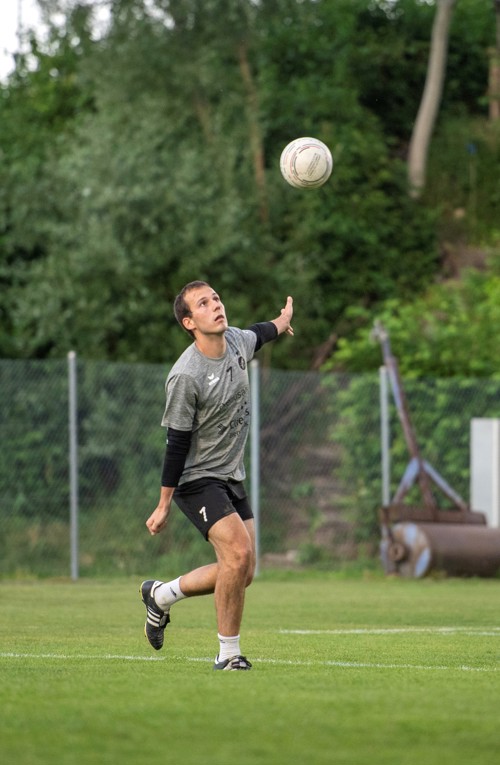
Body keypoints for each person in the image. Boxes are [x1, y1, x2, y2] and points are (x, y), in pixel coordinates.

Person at [140, 280, 294, 671]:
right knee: (238, 555)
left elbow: (262, 332)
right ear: (190, 322)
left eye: (217, 299)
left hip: (229, 475)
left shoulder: (238, 343)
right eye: (204, 304)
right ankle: (228, 655)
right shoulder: (185, 375)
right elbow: (176, 444)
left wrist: (283, 319)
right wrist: (163, 504)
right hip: (195, 480)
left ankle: (162, 595)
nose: (216, 306)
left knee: (243, 572)